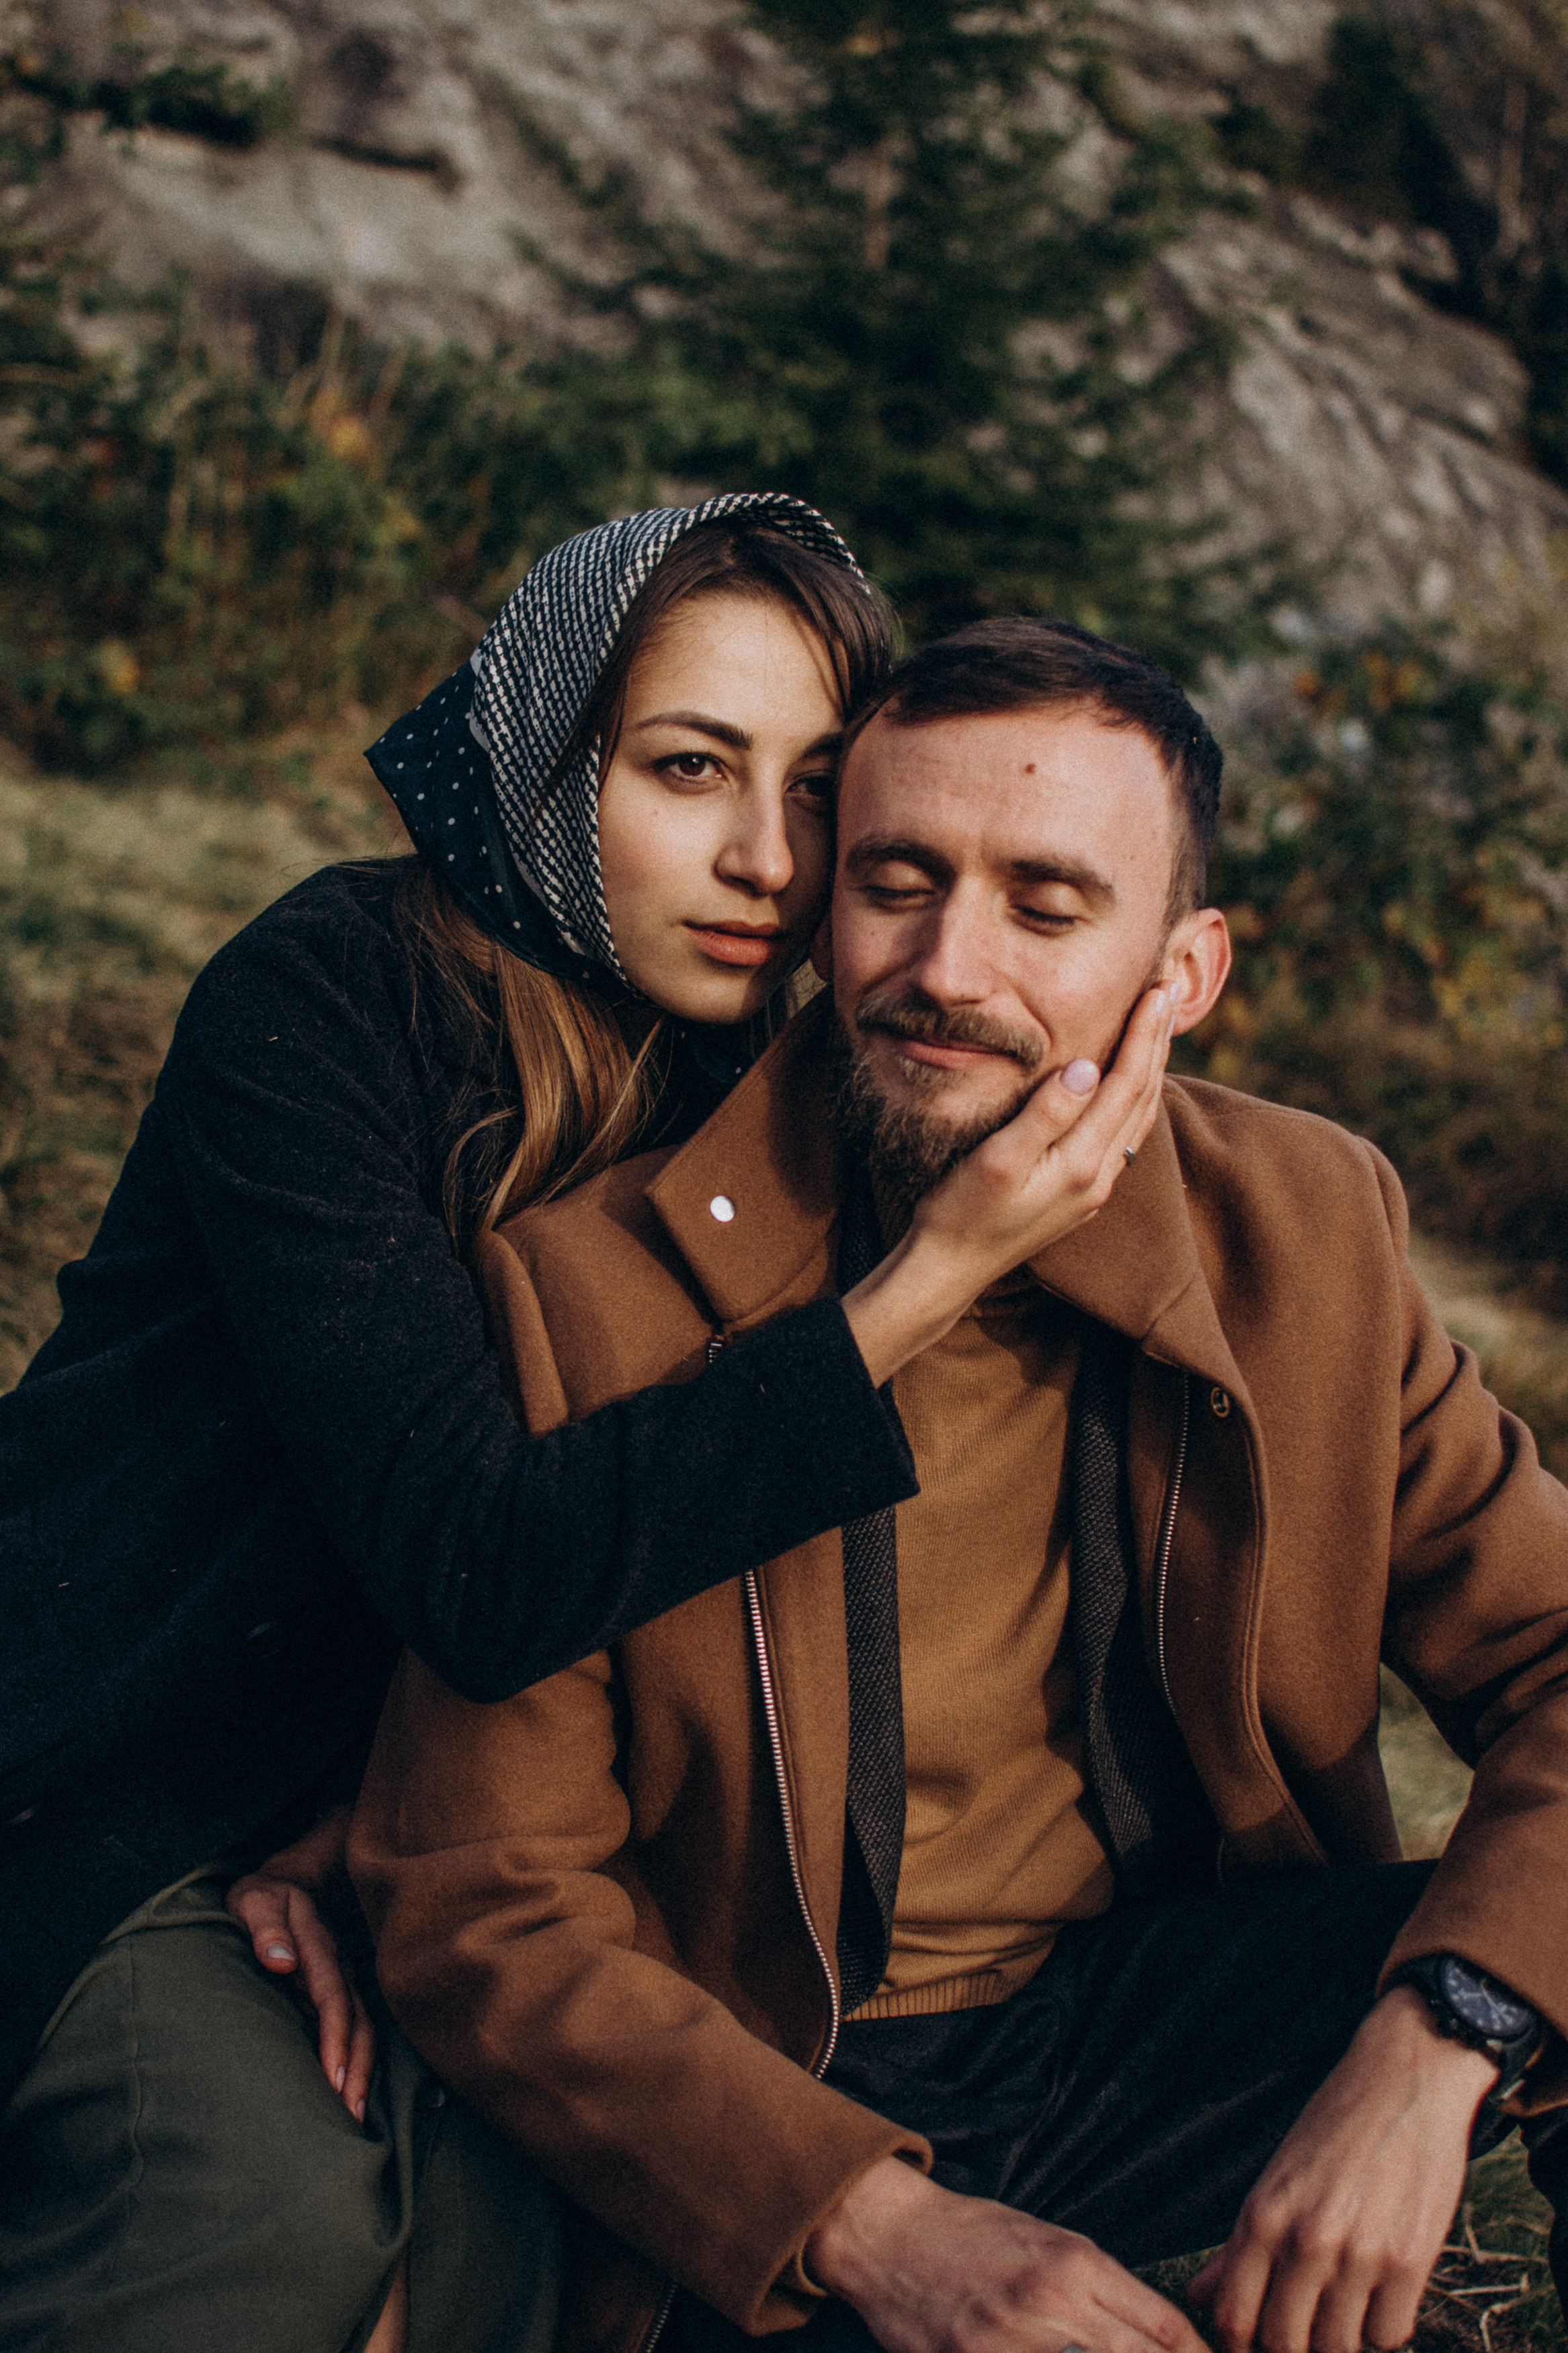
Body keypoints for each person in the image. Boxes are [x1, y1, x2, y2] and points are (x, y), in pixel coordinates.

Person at [0, 512, 1157, 2353]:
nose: (767, 859)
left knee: (522, 2258)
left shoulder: (792, 1086)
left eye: (816, 789)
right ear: (549, 760)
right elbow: (482, 1551)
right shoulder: (334, 997)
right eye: (689, 767)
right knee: (272, 2223)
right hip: (119, 1784)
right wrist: (922, 1286)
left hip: (424, 1827)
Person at [352, 616, 1568, 2353]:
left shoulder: (1304, 1225)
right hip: (780, 2098)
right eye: (897, 880)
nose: (948, 966)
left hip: (1167, 2017)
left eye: (1048, 905)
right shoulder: (585, 1290)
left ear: (1185, 969)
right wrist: (883, 2228)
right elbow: (481, 1891)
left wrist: (1433, 2042)